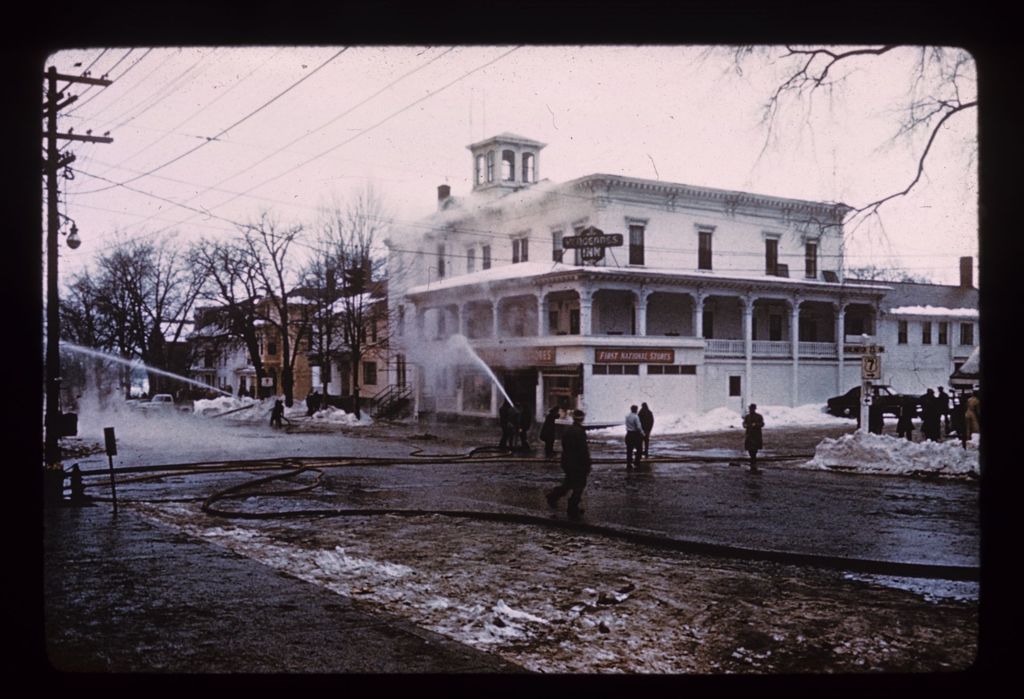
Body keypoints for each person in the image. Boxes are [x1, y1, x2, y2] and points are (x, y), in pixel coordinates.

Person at [546, 409, 592, 520]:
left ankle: (553, 496)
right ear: (582, 419)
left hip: (567, 461)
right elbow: (583, 450)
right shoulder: (580, 431)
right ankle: (572, 508)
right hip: (578, 463)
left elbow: (565, 446)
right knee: (579, 485)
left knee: (569, 483)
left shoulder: (568, 430)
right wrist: (587, 463)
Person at [742, 403, 765, 473]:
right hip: (749, 434)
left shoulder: (759, 416)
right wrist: (745, 425)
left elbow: (762, 424)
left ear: (754, 409)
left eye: (752, 409)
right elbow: (744, 424)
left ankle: (753, 459)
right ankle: (752, 458)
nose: (751, 410)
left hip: (756, 434)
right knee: (749, 447)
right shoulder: (747, 417)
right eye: (750, 409)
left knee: (755, 448)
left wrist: (756, 425)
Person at [624, 404, 644, 471]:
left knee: (629, 450)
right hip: (635, 434)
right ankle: (636, 463)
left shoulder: (627, 416)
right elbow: (638, 427)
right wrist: (642, 433)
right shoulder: (636, 417)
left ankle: (629, 463)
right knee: (639, 449)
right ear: (636, 409)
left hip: (628, 434)